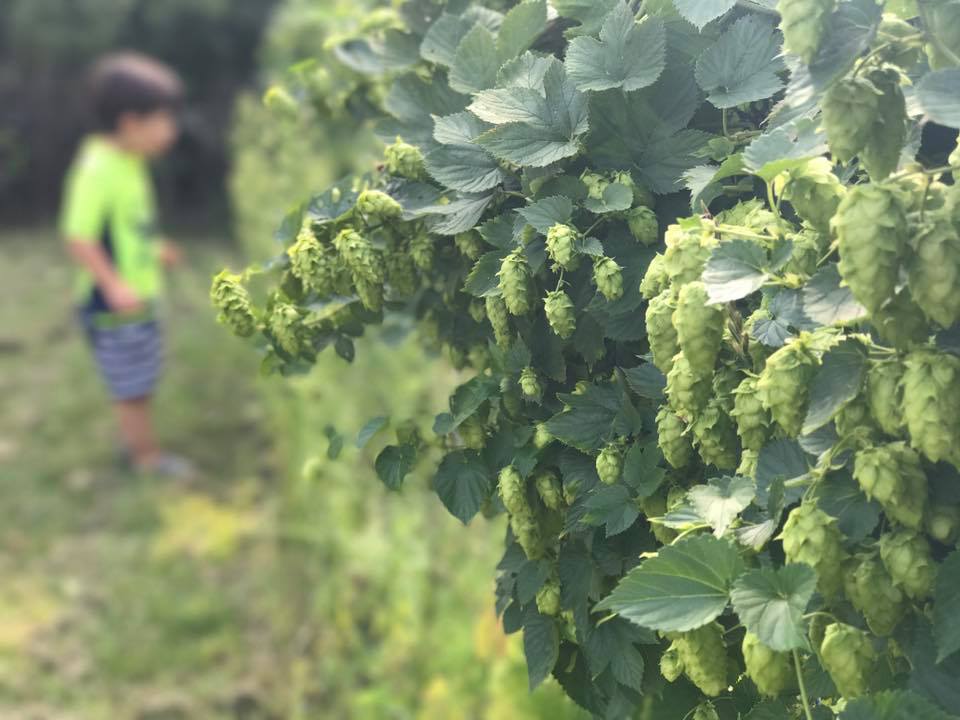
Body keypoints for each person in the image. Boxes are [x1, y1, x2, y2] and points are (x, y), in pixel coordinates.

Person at [60, 52, 193, 477]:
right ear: (131, 123)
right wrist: (114, 285)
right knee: (132, 387)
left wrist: (155, 249)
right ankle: (146, 459)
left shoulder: (129, 162)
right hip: (115, 306)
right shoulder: (97, 168)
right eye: (164, 120)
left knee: (140, 377)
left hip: (138, 299)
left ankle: (133, 441)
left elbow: (127, 228)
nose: (170, 132)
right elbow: (79, 237)